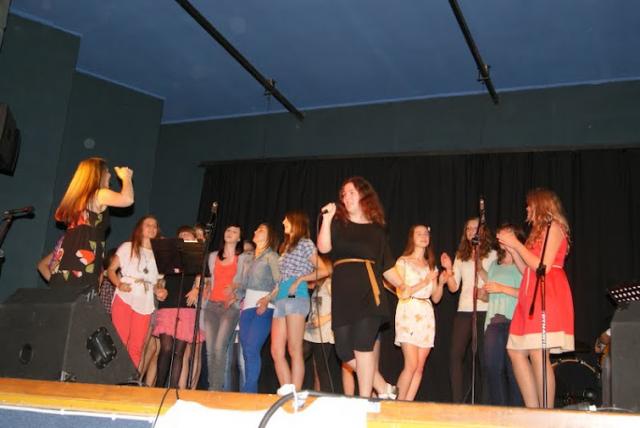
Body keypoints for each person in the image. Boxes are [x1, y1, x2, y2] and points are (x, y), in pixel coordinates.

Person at [317, 176, 405, 398]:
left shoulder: (377, 231)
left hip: (369, 292)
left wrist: (403, 285)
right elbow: (323, 248)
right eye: (343, 194)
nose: (346, 197)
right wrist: (327, 219)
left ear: (364, 196)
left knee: (363, 346)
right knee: (343, 351)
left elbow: (387, 266)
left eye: (351, 192)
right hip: (343, 295)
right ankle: (384, 388)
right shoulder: (338, 224)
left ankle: (365, 399)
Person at [498, 188, 574, 408]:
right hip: (529, 293)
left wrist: (516, 244)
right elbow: (527, 270)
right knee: (515, 351)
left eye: (529, 205)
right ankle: (533, 411)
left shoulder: (554, 227)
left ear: (540, 205)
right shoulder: (537, 232)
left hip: (547, 292)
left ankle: (545, 412)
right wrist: (514, 251)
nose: (527, 209)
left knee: (538, 353)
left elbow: (543, 267)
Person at [49, 158, 134, 289]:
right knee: (80, 299)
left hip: (66, 262)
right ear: (98, 174)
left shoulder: (77, 199)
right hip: (82, 263)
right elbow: (127, 199)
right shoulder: (99, 194)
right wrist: (126, 177)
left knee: (65, 298)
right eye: (107, 171)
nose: (110, 175)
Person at [441, 217, 497, 403]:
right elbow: (453, 287)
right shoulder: (461, 256)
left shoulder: (493, 254)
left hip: (485, 309)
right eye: (469, 229)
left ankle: (485, 403)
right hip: (465, 309)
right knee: (455, 355)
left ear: (483, 231)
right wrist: (449, 269)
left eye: (476, 228)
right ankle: (457, 403)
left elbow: (495, 282)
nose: (472, 231)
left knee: (484, 358)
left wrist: (480, 268)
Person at [271, 210, 329, 391]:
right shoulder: (285, 247)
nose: (283, 222)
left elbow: (323, 269)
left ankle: (295, 392)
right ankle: (287, 390)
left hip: (296, 297)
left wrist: (301, 279)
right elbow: (282, 278)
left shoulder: (305, 243)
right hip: (281, 298)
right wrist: (268, 297)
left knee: (294, 348)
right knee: (276, 350)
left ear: (296, 222)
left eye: (286, 220)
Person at [394, 225, 445, 401]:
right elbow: (402, 293)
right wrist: (425, 281)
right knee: (411, 364)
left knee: (419, 367)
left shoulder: (431, 265)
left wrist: (441, 282)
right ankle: (397, 405)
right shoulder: (403, 262)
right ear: (412, 238)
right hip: (408, 311)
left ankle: (407, 405)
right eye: (419, 233)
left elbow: (436, 298)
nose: (424, 236)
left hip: (426, 314)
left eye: (426, 234)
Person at [107, 215, 164, 369]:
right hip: (125, 297)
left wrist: (160, 291)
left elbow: (157, 282)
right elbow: (111, 270)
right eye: (148, 225)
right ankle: (114, 376)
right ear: (140, 228)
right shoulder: (127, 247)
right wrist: (119, 284)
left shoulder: (160, 254)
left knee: (137, 346)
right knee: (120, 341)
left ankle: (129, 379)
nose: (152, 228)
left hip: (145, 302)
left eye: (155, 226)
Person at [153, 226, 204, 388]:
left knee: (178, 352)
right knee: (166, 348)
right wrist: (158, 290)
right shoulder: (168, 257)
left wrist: (196, 289)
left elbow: (201, 281)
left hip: (186, 307)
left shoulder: (197, 257)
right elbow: (158, 281)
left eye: (187, 235)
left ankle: (173, 387)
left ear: (194, 239)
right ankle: (159, 387)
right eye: (181, 235)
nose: (183, 237)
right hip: (168, 306)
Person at [481, 224, 524, 406]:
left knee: (514, 370)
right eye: (501, 235)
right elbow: (489, 296)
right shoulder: (494, 265)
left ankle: (517, 411)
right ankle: (499, 410)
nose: (503, 238)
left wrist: (501, 288)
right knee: (493, 368)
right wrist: (483, 294)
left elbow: (526, 293)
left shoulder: (523, 265)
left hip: (515, 322)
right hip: (494, 321)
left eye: (508, 234)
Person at [235, 223, 281, 393]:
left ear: (269, 236)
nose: (255, 231)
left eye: (261, 230)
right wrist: (235, 296)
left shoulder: (272, 256)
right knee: (246, 351)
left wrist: (267, 299)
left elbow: (281, 283)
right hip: (247, 307)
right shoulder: (248, 258)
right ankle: (250, 391)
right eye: (256, 229)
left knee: (251, 348)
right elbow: (244, 285)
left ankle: (249, 392)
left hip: (264, 305)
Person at [203, 224, 243, 391]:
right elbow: (209, 279)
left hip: (229, 307)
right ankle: (213, 387)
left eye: (234, 232)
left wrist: (236, 289)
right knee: (210, 350)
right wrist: (206, 287)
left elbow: (246, 281)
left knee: (220, 348)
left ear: (239, 238)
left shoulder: (242, 258)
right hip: (211, 306)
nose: (230, 233)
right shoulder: (213, 256)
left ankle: (216, 388)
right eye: (228, 230)